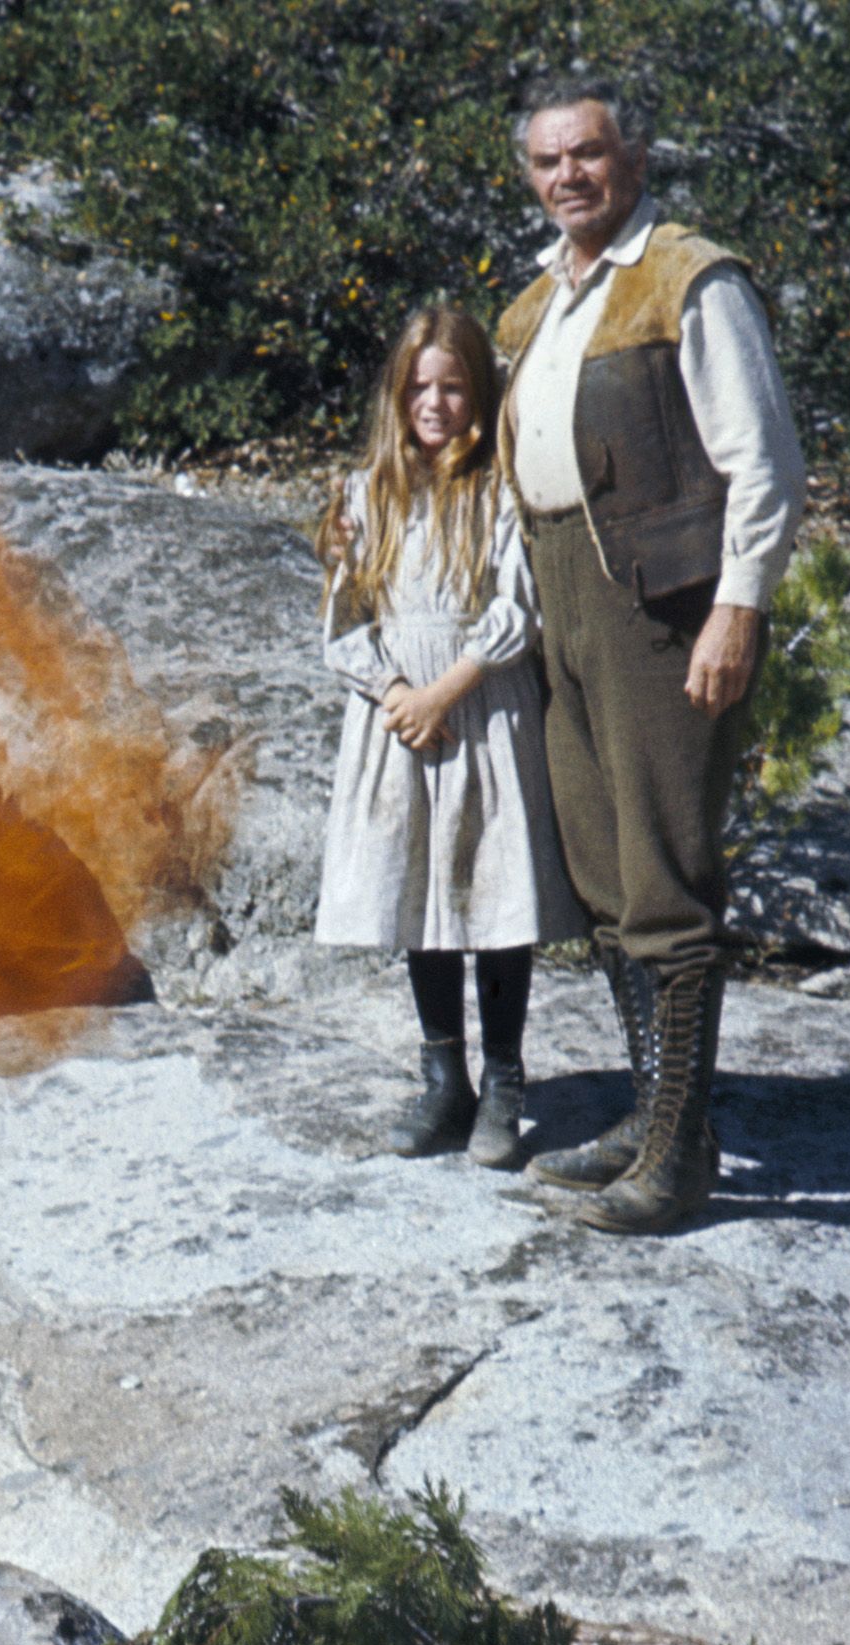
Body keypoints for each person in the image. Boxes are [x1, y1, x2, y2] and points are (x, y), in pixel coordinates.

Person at [500, 75, 805, 1232]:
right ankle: (652, 1111)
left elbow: (763, 460)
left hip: (661, 604)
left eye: (586, 154)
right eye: (545, 162)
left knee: (668, 874)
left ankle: (677, 1159)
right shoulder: (536, 303)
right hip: (560, 598)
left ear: (632, 158)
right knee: (604, 869)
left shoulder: (687, 278)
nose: (566, 176)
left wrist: (738, 608)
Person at [315, 303, 581, 1168]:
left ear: (480, 392)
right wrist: (396, 691)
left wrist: (447, 690)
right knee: (419, 892)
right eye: (418, 387)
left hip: (479, 706)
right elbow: (344, 618)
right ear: (397, 395)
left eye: (453, 386)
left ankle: (505, 1079)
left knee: (491, 892)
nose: (434, 403)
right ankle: (444, 1080)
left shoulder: (499, 488)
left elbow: (517, 607)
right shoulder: (365, 494)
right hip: (399, 720)